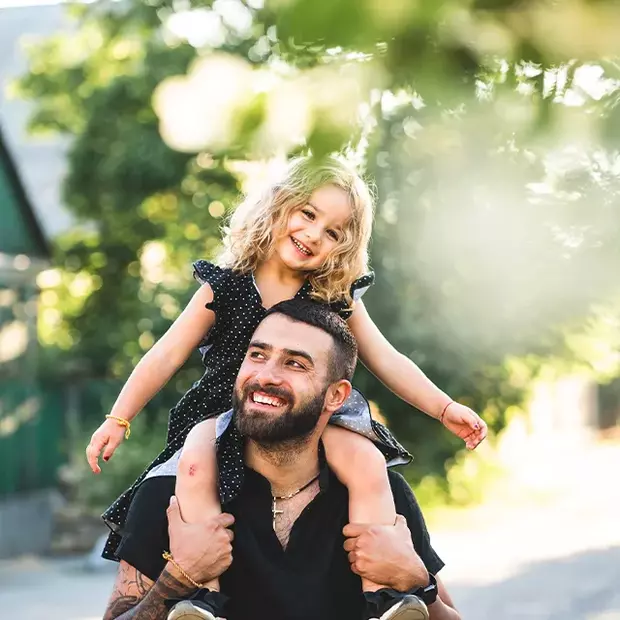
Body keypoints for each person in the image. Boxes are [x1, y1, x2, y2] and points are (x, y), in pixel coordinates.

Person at [87, 156, 486, 618]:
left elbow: (387, 359)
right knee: (195, 461)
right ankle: (199, 600)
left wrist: (443, 408)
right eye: (308, 214)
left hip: (320, 419)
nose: (315, 234)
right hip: (223, 412)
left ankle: (390, 597)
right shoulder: (228, 286)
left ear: (343, 248)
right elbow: (165, 354)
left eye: (334, 232)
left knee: (367, 461)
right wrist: (119, 417)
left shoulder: (335, 298)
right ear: (278, 206)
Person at [102, 300, 461, 620]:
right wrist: (177, 578)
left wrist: (419, 584)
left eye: (294, 363)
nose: (265, 376)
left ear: (336, 395)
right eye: (257, 355)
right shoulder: (171, 494)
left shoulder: (383, 496)